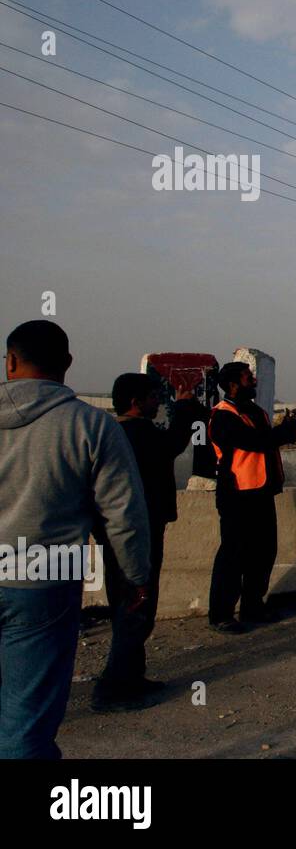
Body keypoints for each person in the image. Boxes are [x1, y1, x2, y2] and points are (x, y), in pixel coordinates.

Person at [0, 321, 150, 758]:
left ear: (10, 361)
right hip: (43, 580)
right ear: (67, 364)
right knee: (26, 719)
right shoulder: (91, 425)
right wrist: (136, 578)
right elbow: (124, 516)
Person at [93, 372, 204, 712]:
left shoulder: (114, 432)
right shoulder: (136, 433)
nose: (158, 401)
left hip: (124, 531)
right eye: (153, 396)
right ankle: (112, 688)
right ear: (135, 401)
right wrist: (185, 409)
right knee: (135, 605)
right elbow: (171, 446)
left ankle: (131, 676)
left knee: (134, 605)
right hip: (135, 534)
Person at [207, 362, 296, 632]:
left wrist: (289, 428)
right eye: (249, 377)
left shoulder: (256, 412)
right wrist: (294, 426)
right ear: (234, 384)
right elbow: (257, 442)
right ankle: (221, 614)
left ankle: (252, 606)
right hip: (237, 495)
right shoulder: (223, 415)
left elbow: (268, 439)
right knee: (233, 555)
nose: (254, 380)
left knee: (263, 552)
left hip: (261, 492)